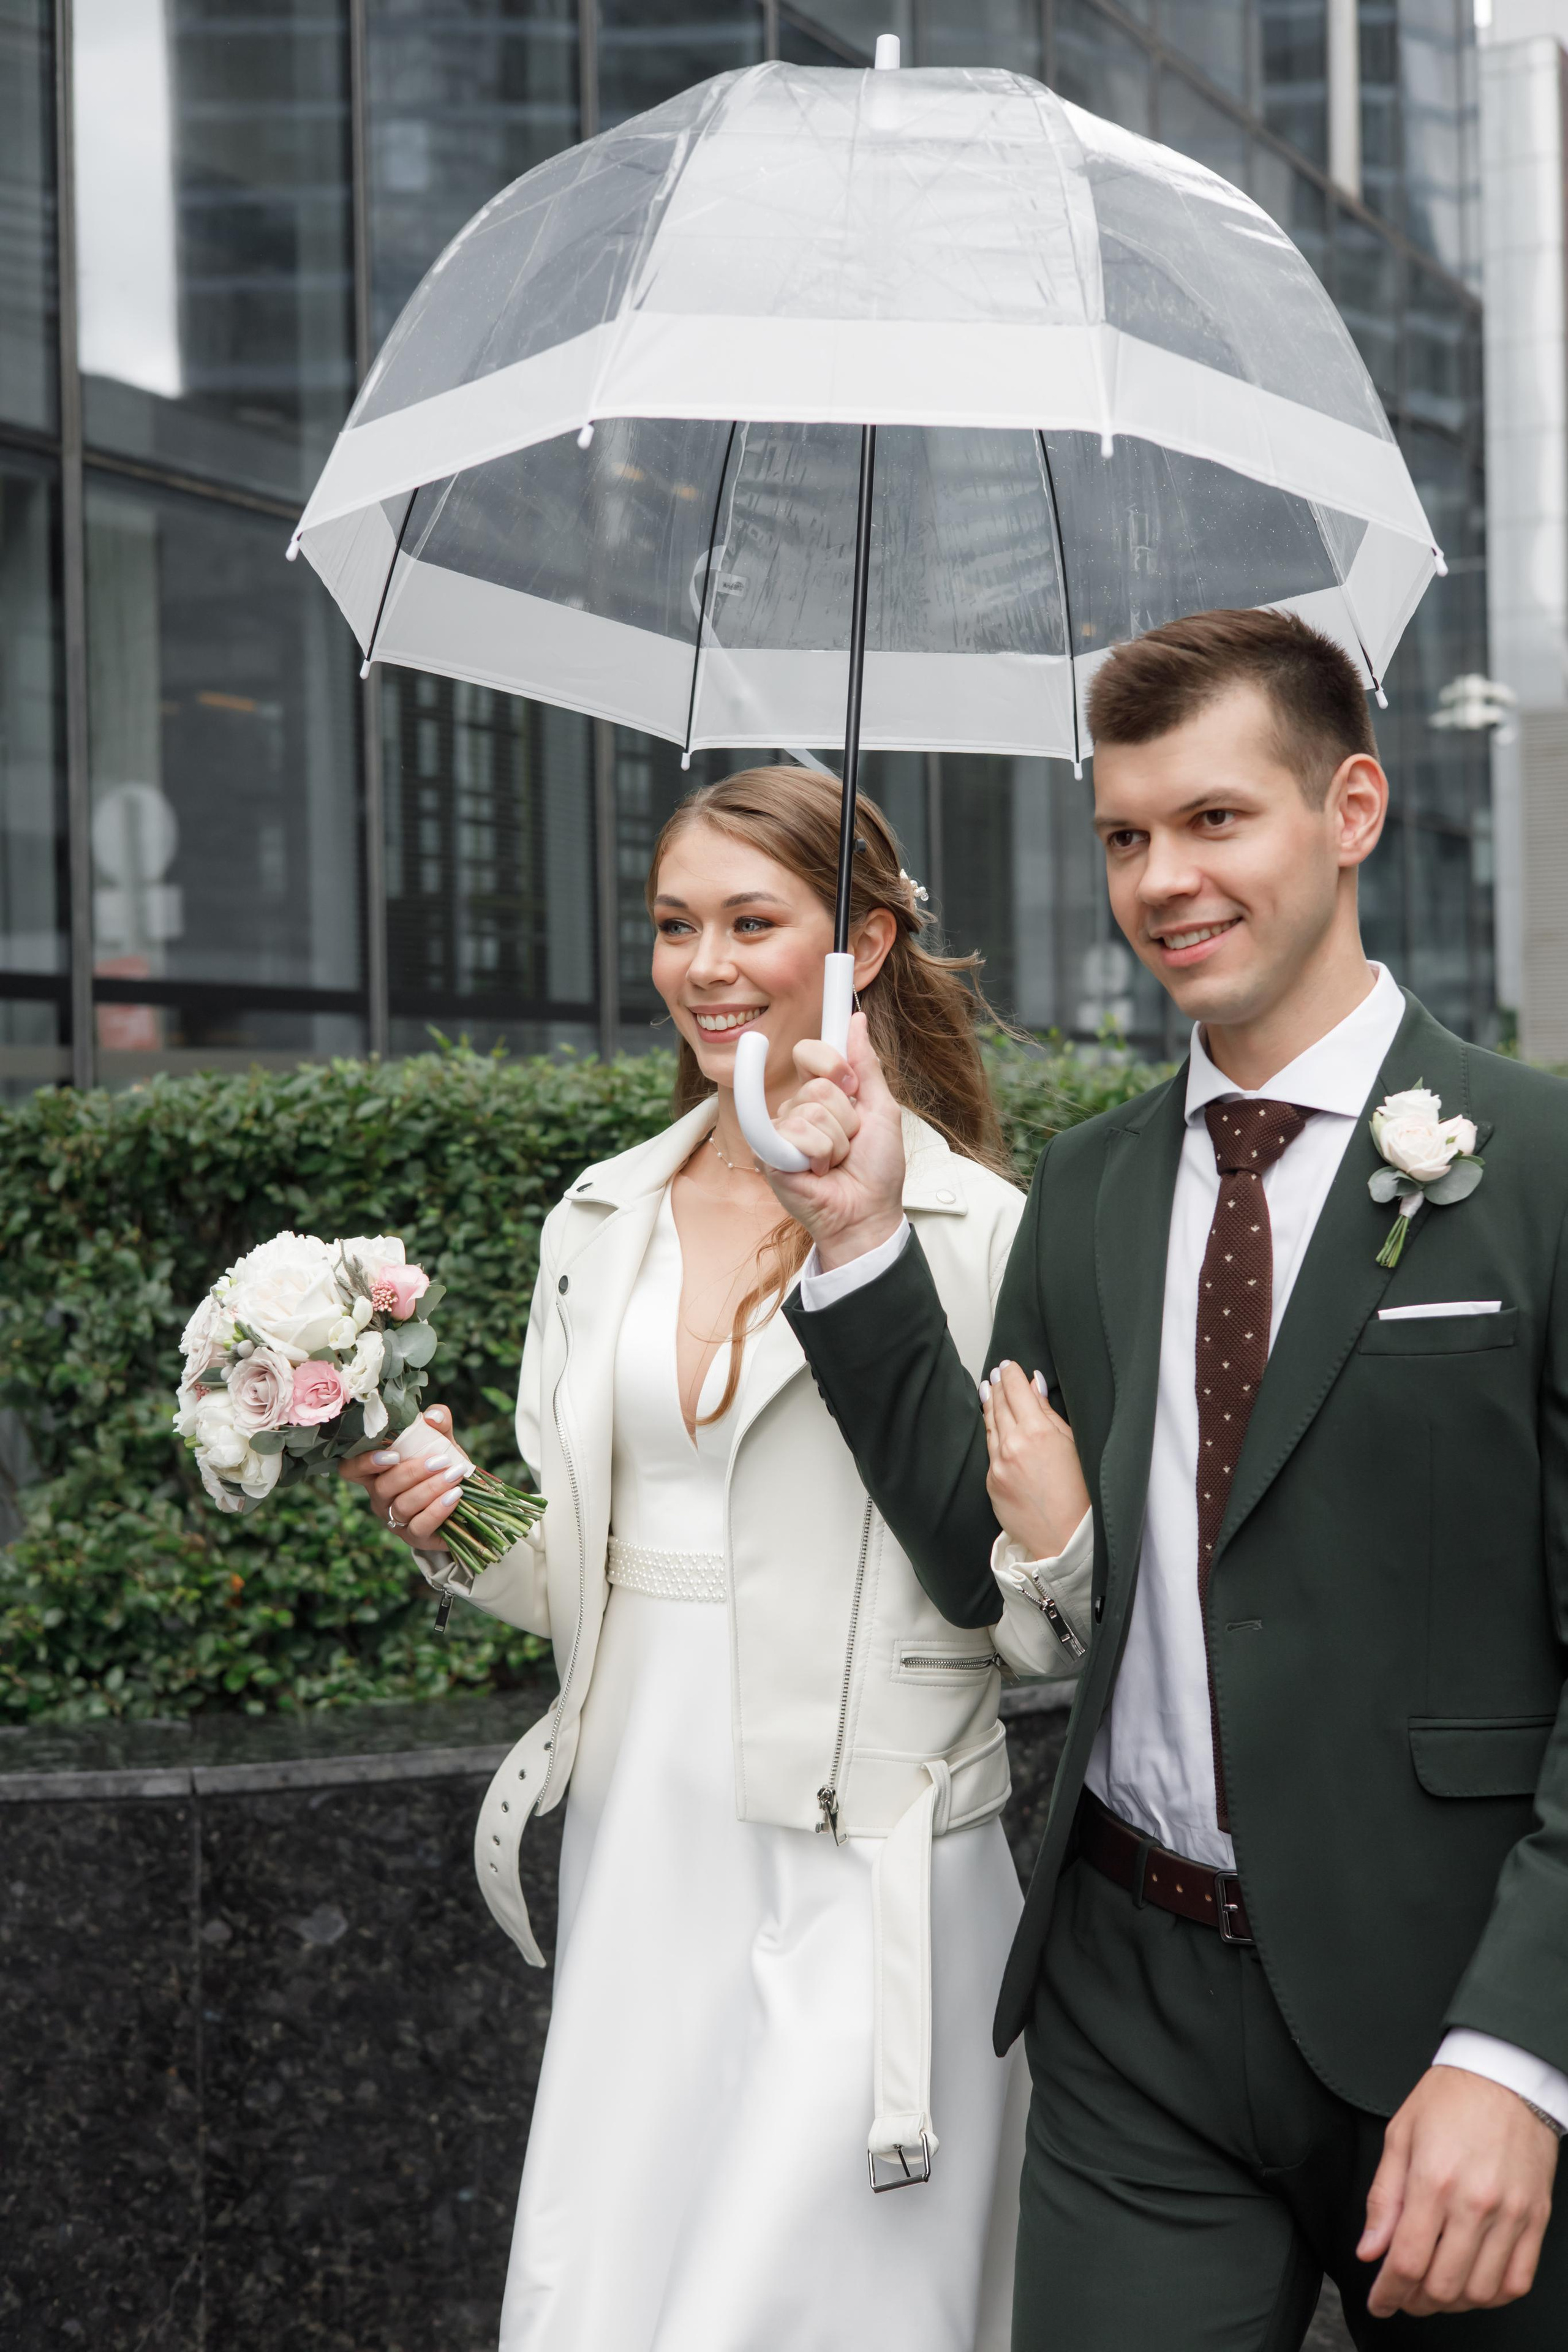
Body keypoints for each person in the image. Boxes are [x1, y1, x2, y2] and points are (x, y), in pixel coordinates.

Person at [767, 609, 1568, 2349]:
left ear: (1350, 810)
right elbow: (992, 1560)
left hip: (1449, 2007)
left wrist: (1523, 2051)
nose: (1163, 880)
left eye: (1217, 820)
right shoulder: (1098, 1184)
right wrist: (854, 1242)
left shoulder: (1544, 1165)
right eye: (1127, 835)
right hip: (1133, 2006)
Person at [342, 766, 1080, 2351]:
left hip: (868, 1861)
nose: (707, 964)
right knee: (622, 2293)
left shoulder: (979, 1233)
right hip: (640, 1850)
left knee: (804, 2310)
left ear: (863, 944)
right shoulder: (596, 1220)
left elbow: (1035, 1624)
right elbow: (582, 1581)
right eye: (678, 924)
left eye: (757, 921)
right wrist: (448, 1506)